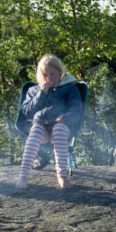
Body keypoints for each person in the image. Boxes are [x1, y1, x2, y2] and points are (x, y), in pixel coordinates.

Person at [15, 54, 83, 190]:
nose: (49, 78)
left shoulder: (69, 88)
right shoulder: (33, 90)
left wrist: (65, 118)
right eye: (45, 74)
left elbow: (76, 110)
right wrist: (41, 93)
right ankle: (23, 175)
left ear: (60, 73)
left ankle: (61, 176)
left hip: (62, 127)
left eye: (53, 74)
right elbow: (26, 111)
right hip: (41, 127)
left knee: (59, 130)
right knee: (35, 132)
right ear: (40, 75)